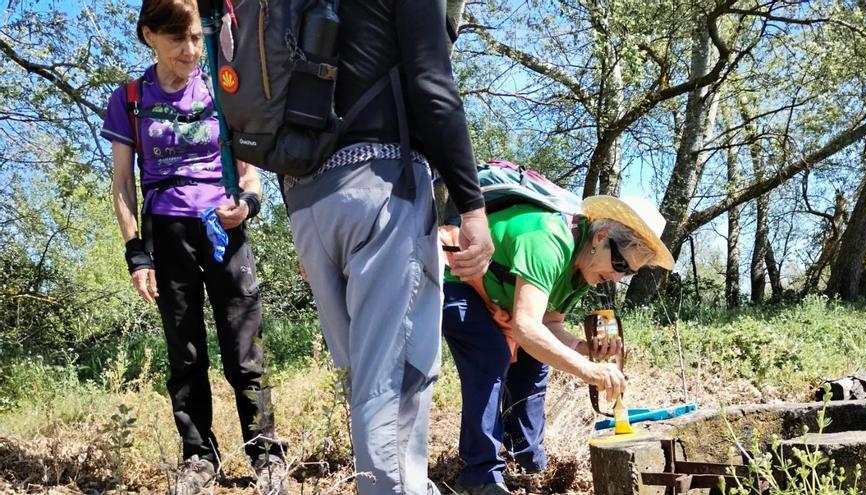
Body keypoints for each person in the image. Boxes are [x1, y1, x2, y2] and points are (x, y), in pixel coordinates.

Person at [283, 1, 494, 494]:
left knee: (366, 386)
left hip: (307, 202)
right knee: (395, 386)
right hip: (381, 191)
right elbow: (432, 87)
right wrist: (472, 206)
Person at [102, 1, 287, 493]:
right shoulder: (131, 98)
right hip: (167, 232)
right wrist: (136, 253)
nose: (190, 50)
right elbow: (122, 182)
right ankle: (199, 458)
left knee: (244, 348)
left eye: (196, 39)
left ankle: (266, 455)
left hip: (224, 229)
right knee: (184, 354)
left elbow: (252, 173)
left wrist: (247, 203)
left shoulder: (224, 89)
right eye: (177, 38)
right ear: (150, 35)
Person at [440, 195, 676, 495]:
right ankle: (479, 475)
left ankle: (526, 461)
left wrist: (585, 348)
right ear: (601, 236)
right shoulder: (549, 241)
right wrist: (589, 371)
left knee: (534, 365)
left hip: (498, 298)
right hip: (456, 276)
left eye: (627, 273)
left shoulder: (582, 272)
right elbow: (526, 328)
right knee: (491, 354)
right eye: (619, 263)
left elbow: (548, 325)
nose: (617, 277)